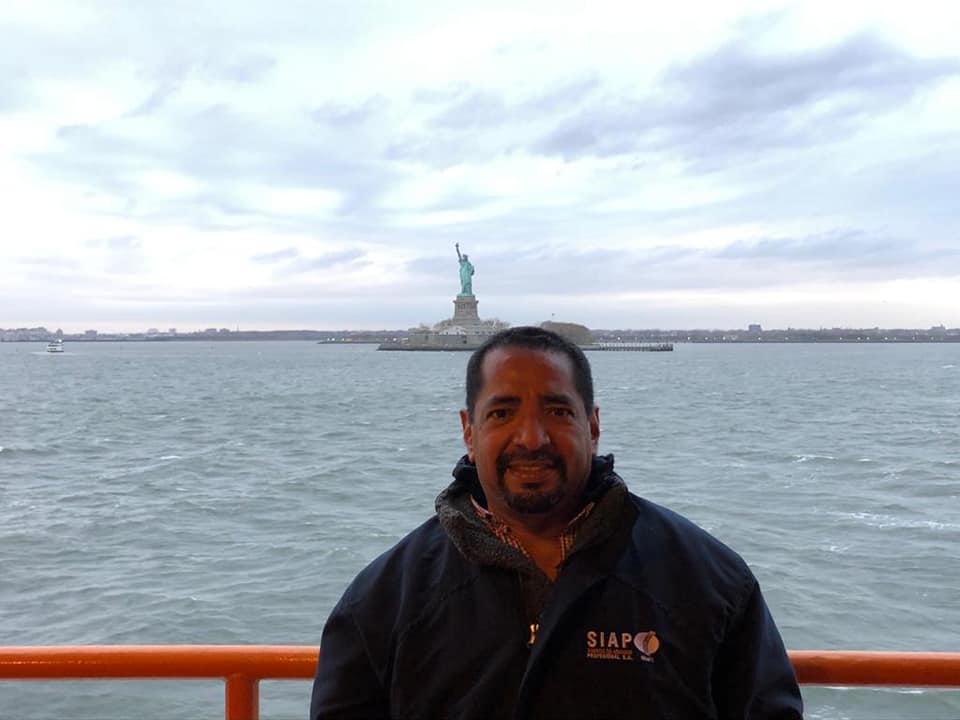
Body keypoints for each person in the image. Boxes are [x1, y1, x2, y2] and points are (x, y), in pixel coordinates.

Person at [310, 326, 803, 719]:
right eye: (502, 413)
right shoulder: (383, 601)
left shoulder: (709, 583)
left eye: (557, 411)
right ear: (469, 431)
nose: (531, 437)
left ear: (592, 426)